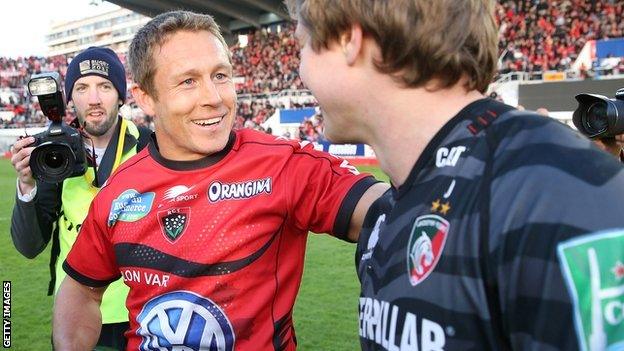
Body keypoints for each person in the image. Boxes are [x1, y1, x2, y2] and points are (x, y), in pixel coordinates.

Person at [287, 0, 624, 349]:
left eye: (302, 45)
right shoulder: (388, 214)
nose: (301, 71)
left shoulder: (553, 192)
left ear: (350, 40)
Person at [52, 10, 387, 350]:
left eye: (221, 75)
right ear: (145, 97)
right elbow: (81, 288)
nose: (214, 98)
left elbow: (389, 209)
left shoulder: (284, 165)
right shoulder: (118, 191)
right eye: (188, 81)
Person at [9, 47, 151, 349]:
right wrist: (26, 185)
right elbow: (29, 246)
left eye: (105, 86)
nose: (94, 98)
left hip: (142, 312)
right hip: (74, 315)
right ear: (70, 98)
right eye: (82, 88)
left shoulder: (151, 145)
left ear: (121, 96)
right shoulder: (54, 153)